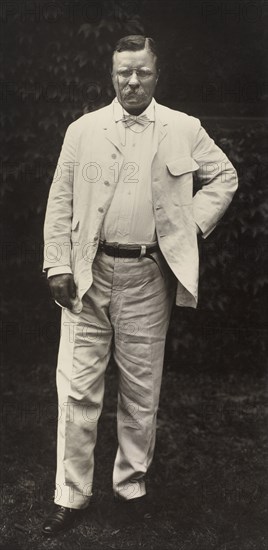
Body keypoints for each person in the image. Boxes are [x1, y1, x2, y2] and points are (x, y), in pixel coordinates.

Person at [42, 35, 238, 535]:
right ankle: (71, 495)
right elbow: (61, 200)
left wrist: (186, 227)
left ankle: (131, 489)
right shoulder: (83, 130)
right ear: (112, 75)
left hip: (148, 277)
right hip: (88, 276)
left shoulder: (183, 128)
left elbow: (224, 178)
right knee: (77, 389)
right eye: (124, 72)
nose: (133, 81)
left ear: (157, 74)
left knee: (140, 390)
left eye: (142, 73)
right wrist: (57, 265)